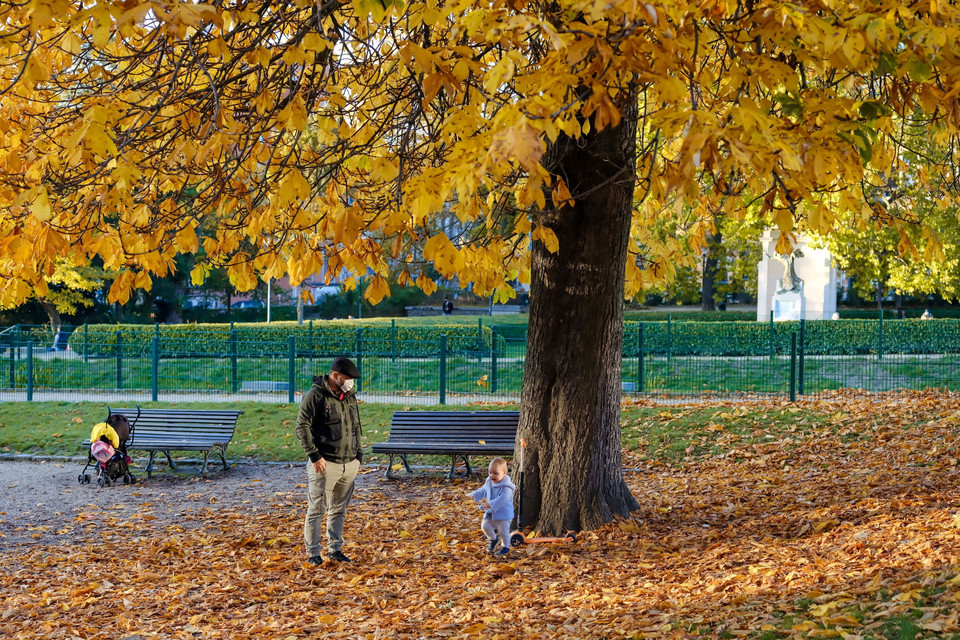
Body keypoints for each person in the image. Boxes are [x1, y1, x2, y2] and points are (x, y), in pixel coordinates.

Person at [295, 356, 363, 565]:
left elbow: (356, 425)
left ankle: (335, 549)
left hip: (349, 463)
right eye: (348, 378)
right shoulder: (315, 396)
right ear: (336, 376)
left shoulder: (349, 396)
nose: (351, 382)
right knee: (317, 509)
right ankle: (313, 554)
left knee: (338, 510)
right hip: (325, 463)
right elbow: (302, 426)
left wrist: (359, 455)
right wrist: (314, 455)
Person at [467, 457, 516, 556]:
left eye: (496, 473)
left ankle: (505, 547)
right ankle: (493, 539)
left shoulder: (506, 487)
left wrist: (491, 504)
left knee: (503, 532)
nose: (492, 475)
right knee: (485, 526)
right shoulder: (489, 482)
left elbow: (503, 499)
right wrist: (474, 495)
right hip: (491, 512)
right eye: (490, 473)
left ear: (504, 472)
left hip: (503, 514)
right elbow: (483, 490)